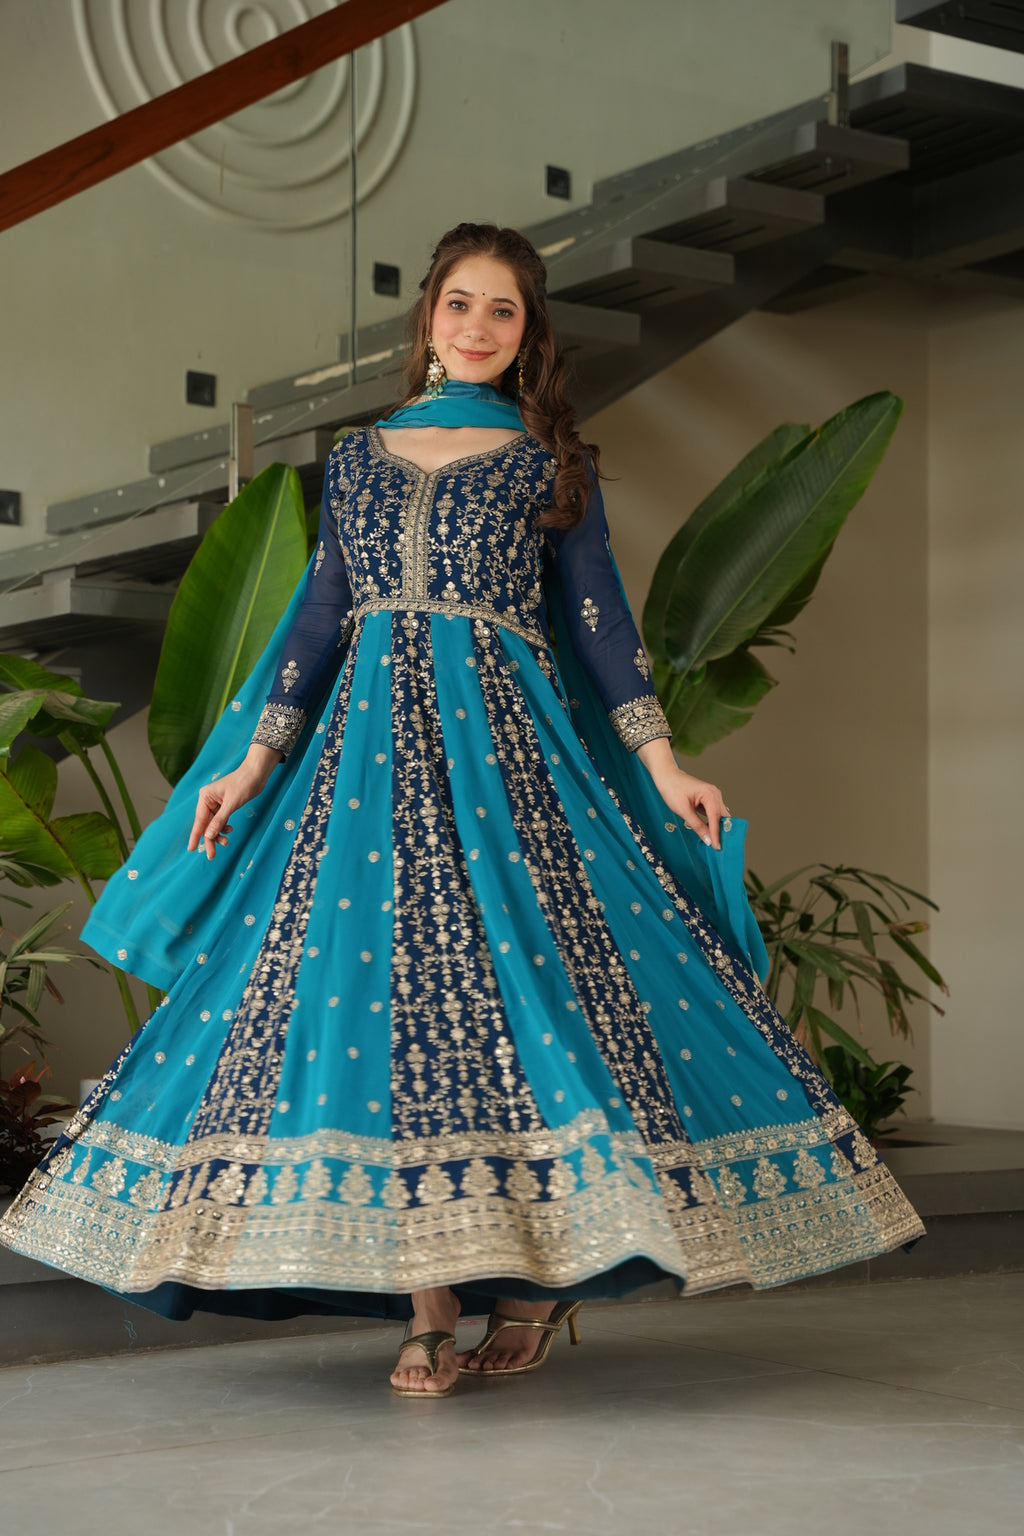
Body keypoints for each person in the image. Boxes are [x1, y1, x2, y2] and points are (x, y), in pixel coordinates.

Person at [0, 223, 924, 1399]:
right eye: (460, 304)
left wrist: (662, 764)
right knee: (374, 1010)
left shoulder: (550, 462)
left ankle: (533, 1290)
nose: (478, 326)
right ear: (427, 318)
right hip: (363, 774)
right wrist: (248, 767)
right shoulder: (357, 458)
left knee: (538, 1001)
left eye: (503, 310)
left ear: (529, 335)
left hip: (508, 765)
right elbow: (317, 619)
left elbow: (600, 624)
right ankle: (427, 1305)